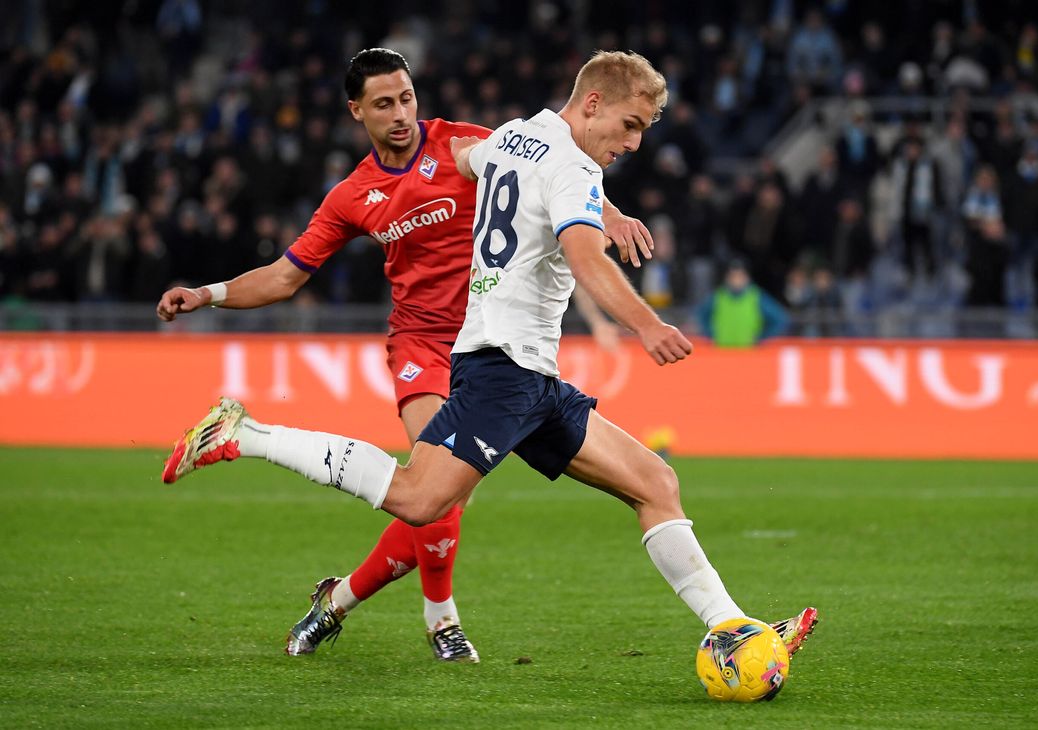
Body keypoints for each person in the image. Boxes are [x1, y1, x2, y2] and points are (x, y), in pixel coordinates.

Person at [163, 51, 817, 663]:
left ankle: (731, 629)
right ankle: (246, 435)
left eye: (407, 99)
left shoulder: (511, 133)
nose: (634, 143)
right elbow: (585, 255)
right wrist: (645, 323)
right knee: (422, 499)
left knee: (656, 483)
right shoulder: (566, 166)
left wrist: (605, 210)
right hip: (495, 366)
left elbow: (479, 162)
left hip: (527, 376)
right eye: (630, 125)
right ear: (591, 103)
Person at [696, 259, 789, 347]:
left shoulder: (757, 297)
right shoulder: (718, 297)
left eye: (740, 276)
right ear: (727, 277)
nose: (736, 280)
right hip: (722, 352)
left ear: (747, 277)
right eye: (733, 276)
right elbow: (701, 315)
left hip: (748, 354)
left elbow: (779, 319)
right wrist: (711, 334)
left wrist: (762, 338)